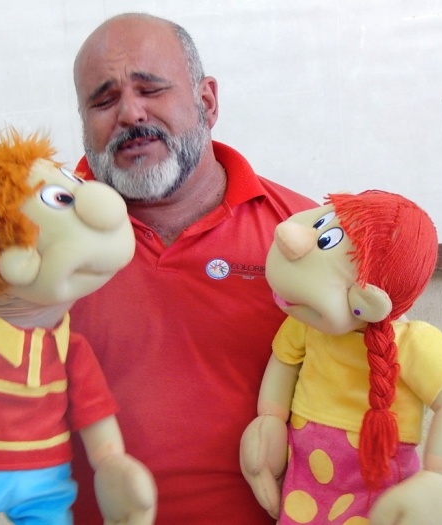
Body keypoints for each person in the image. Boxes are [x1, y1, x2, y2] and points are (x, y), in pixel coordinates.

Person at [68, 12, 316, 525]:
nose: (130, 113)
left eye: (151, 89)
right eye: (104, 100)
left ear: (207, 101)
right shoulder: (30, 244)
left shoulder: (304, 235)